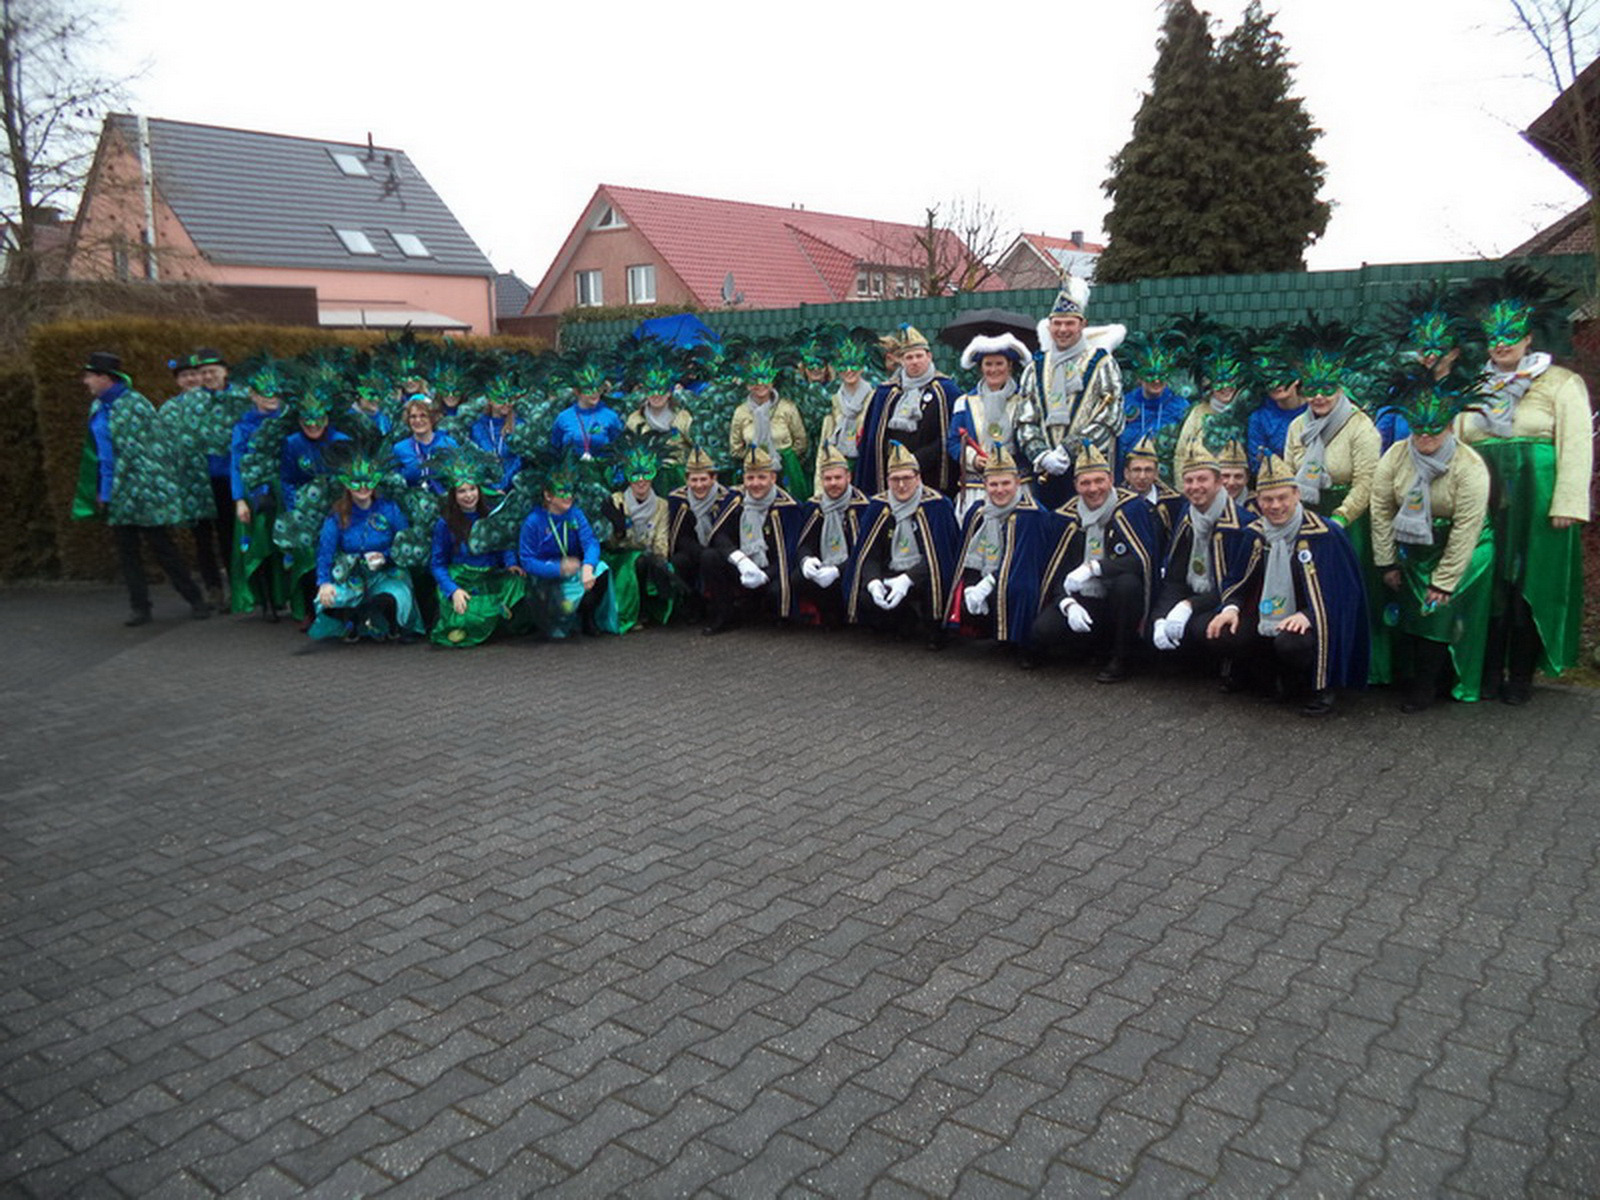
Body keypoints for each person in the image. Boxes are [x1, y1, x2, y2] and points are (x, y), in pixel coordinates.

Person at [1458, 267, 1593, 703]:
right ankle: (1488, 670)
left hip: (1539, 503)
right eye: (1494, 336)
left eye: (1511, 335)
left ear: (1529, 337)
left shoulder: (1560, 383)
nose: (1501, 344)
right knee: (1488, 583)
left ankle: (1521, 674)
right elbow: (1457, 443)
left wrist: (1568, 503)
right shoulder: (1472, 387)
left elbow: (1577, 444)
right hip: (1485, 500)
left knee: (1530, 584)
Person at [1206, 454, 1369, 716]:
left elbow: (1344, 592)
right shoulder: (1255, 534)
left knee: (1292, 643)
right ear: (1258, 501)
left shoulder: (1325, 534)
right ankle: (1269, 679)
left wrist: (1309, 615)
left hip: (1310, 621)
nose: (1275, 506)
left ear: (1297, 495)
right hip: (1267, 613)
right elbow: (1236, 579)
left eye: (1282, 498)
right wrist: (1230, 608)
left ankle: (1317, 687)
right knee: (1224, 632)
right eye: (1268, 499)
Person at [1370, 363, 1493, 710]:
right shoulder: (1395, 455)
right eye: (1418, 429)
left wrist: (1444, 581)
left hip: (1464, 548)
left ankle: (1428, 685)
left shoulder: (1470, 467)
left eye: (1434, 430)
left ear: (1450, 426)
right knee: (1404, 609)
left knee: (1437, 607)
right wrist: (1387, 562)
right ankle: (1408, 675)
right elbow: (1381, 509)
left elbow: (1467, 527)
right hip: (1412, 546)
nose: (1424, 437)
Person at [70, 351, 209, 626]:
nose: (86, 382)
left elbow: (147, 452)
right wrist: (103, 490)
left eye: (89, 376)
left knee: (162, 548)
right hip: (116, 491)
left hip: (142, 491)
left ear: (105, 378)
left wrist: (145, 489)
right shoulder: (98, 407)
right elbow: (100, 454)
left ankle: (196, 600)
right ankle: (140, 607)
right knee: (127, 553)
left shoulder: (135, 405)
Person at [1030, 442, 1160, 682]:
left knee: (1127, 584)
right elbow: (1056, 568)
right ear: (1076, 485)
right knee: (1043, 631)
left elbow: (1141, 559)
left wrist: (1095, 568)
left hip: (1118, 599)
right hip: (1084, 598)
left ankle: (1121, 656)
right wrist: (1067, 603)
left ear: (1111, 479)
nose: (1093, 489)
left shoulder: (1132, 508)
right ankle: (1090, 645)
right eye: (1085, 483)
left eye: (1099, 481)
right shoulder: (1066, 515)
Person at [1016, 276, 1126, 509]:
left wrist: (1069, 449)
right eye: (1057, 323)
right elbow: (1025, 418)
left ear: (1082, 324)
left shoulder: (1102, 363)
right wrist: (1041, 454)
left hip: (1092, 471)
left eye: (1069, 323)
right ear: (1049, 326)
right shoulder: (1035, 368)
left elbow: (1111, 416)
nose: (1063, 329)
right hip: (1046, 472)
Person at [947, 446, 1061, 657]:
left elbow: (1024, 565)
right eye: (994, 484)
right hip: (989, 576)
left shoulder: (1032, 515)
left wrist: (987, 585)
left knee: (1019, 587)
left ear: (1017, 483)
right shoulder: (978, 511)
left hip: (1021, 581)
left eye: (1006, 483)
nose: (1000, 490)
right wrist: (970, 587)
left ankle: (1023, 642)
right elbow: (965, 558)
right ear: (985, 485)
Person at [1148, 440, 1255, 663]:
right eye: (1189, 481)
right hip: (1196, 593)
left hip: (1233, 603)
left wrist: (1188, 605)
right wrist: (1159, 618)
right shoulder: (1187, 516)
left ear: (1218, 482)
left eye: (1202, 479)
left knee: (1203, 628)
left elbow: (1239, 585)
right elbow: (1175, 576)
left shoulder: (1242, 523)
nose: (1195, 486)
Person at [846, 441, 960, 645]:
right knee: (865, 597)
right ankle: (902, 619)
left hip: (923, 575)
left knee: (934, 588)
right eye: (895, 479)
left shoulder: (937, 506)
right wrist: (873, 581)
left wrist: (908, 579)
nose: (901, 485)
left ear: (918, 478)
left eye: (907, 478)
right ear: (887, 481)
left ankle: (932, 627)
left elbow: (940, 557)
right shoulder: (878, 506)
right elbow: (869, 553)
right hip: (890, 572)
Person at [162, 348, 247, 608]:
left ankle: (236, 588)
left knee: (229, 536)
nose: (205, 377)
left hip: (228, 479)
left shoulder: (240, 398)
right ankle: (213, 588)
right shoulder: (182, 405)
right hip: (195, 481)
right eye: (202, 373)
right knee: (202, 539)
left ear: (225, 371)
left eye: (211, 371)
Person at [308, 452, 423, 643]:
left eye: (368, 482)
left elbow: (406, 542)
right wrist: (324, 583)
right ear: (347, 485)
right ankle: (354, 618)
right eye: (356, 483)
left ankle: (383, 621)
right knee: (326, 600)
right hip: (350, 574)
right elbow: (325, 552)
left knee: (397, 596)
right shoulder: (337, 515)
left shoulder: (389, 509)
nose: (363, 488)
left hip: (386, 573)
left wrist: (386, 556)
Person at [428, 454, 533, 647]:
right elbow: (437, 564)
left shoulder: (491, 514)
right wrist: (453, 590)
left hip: (489, 576)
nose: (468, 495)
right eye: (462, 491)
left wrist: (510, 564)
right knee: (461, 622)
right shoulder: (445, 523)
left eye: (472, 489)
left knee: (518, 583)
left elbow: (503, 543)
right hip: (461, 578)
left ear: (479, 490)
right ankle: (493, 618)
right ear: (453, 495)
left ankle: (493, 618)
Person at [699, 447, 801, 635]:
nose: (755, 484)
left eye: (762, 477)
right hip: (742, 568)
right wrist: (740, 561)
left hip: (772, 570)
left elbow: (789, 552)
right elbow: (719, 535)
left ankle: (767, 612)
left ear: (773, 478)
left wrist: (764, 575)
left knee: (776, 593)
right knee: (709, 556)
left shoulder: (788, 506)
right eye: (750, 478)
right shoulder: (735, 499)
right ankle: (725, 615)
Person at [855, 325, 961, 496]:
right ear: (901, 360)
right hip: (893, 476)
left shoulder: (947, 390)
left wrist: (917, 460)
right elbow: (874, 440)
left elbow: (951, 436)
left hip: (932, 476)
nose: (914, 361)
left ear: (929, 356)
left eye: (919, 356)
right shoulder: (885, 393)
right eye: (909, 357)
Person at [517, 463, 614, 638]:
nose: (569, 496)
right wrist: (558, 568)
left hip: (574, 569)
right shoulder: (533, 521)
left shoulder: (576, 514)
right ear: (548, 495)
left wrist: (588, 566)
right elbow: (527, 560)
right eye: (562, 491)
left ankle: (587, 617)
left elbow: (590, 542)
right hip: (546, 576)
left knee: (601, 569)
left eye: (571, 491)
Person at [228, 363, 291, 620]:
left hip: (283, 491)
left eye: (275, 392)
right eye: (264, 392)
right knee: (259, 543)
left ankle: (284, 597)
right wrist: (239, 500)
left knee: (284, 544)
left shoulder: (288, 421)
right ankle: (266, 601)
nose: (271, 397)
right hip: (255, 492)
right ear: (253, 395)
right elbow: (236, 463)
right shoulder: (243, 427)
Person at [947, 333, 1031, 521]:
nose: (994, 369)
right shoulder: (964, 402)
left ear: (1010, 366)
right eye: (988, 364)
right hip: (978, 489)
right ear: (981, 368)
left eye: (999, 363)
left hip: (1017, 486)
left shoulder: (1025, 401)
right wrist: (974, 459)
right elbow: (953, 442)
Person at [600, 441, 680, 632]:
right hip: (620, 557)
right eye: (635, 475)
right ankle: (633, 610)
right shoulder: (616, 500)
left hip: (648, 554)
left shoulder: (661, 505)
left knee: (655, 564)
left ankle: (652, 607)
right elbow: (608, 544)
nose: (641, 480)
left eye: (647, 474)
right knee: (638, 561)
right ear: (628, 478)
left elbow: (661, 538)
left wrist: (660, 559)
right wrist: (618, 531)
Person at [791, 445, 869, 629]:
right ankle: (828, 613)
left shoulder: (865, 506)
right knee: (797, 577)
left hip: (852, 568)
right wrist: (806, 560)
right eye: (828, 478)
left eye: (838, 478)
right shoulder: (814, 506)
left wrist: (838, 570)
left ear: (848, 477)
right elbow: (805, 542)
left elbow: (866, 551)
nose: (833, 483)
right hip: (824, 566)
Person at [728, 350, 810, 501]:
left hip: (786, 470)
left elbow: (801, 441)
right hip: (755, 474)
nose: (760, 384)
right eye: (754, 380)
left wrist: (784, 457)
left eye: (765, 379)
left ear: (772, 382)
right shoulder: (741, 412)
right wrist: (756, 459)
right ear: (747, 385)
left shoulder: (787, 408)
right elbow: (735, 448)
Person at [665, 445, 727, 623]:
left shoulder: (726, 498)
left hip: (719, 551)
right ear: (687, 480)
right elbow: (679, 535)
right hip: (694, 549)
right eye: (694, 480)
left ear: (713, 478)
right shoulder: (678, 499)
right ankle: (693, 603)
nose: (699, 485)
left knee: (710, 558)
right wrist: (699, 551)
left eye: (703, 479)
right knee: (679, 561)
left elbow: (728, 533)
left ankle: (721, 610)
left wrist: (708, 552)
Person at [1115, 333, 1188, 478]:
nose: (1156, 381)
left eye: (1162, 374)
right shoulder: (1123, 404)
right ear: (1139, 376)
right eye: (1150, 374)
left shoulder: (1181, 407)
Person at [815, 336, 875, 490]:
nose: (849, 371)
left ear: (862, 367)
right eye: (843, 366)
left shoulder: (874, 398)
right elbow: (824, 441)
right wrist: (819, 488)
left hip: (865, 463)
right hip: (837, 464)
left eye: (854, 365)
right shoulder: (832, 399)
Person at [625, 365, 694, 492]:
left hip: (680, 480)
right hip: (646, 482)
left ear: (669, 392)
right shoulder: (635, 420)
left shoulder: (682, 417)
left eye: (661, 390)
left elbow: (697, 447)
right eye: (651, 390)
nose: (656, 395)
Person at [1245, 343, 1305, 471]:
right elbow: (1257, 464)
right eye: (1269, 379)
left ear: (1297, 379)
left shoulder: (1315, 409)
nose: (1276, 384)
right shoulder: (1259, 418)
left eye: (1282, 377)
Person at [550, 362, 625, 461]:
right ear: (577, 391)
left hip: (602, 468)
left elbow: (619, 449)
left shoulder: (610, 417)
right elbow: (555, 449)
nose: (595, 394)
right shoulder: (563, 417)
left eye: (598, 389)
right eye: (588, 390)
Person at [1122, 436, 1184, 549]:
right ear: (1127, 473)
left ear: (1156, 473)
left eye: (1148, 470)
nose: (1142, 476)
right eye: (1136, 470)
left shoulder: (1173, 503)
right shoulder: (1118, 502)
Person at [393, 399, 459, 494]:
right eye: (413, 416)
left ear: (432, 418)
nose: (418, 420)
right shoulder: (399, 449)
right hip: (413, 500)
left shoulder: (448, 444)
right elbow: (395, 482)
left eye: (423, 415)